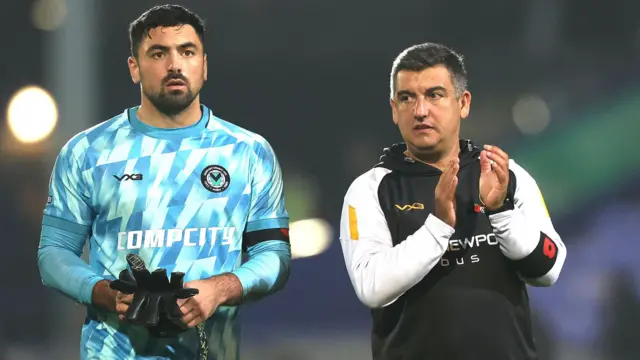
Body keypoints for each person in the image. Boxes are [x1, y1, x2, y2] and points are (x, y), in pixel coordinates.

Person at [37, 5, 291, 360]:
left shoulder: (248, 152)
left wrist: (218, 290)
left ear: (204, 65)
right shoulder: (88, 152)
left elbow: (275, 256)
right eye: (158, 53)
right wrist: (108, 294)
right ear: (134, 68)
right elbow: (53, 253)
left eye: (187, 52)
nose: (174, 64)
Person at [338, 43, 567, 360]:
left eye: (434, 95)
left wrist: (502, 213)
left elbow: (549, 268)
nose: (420, 110)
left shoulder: (506, 175)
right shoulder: (369, 190)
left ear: (463, 103)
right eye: (407, 98)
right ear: (394, 109)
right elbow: (371, 286)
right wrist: (438, 227)